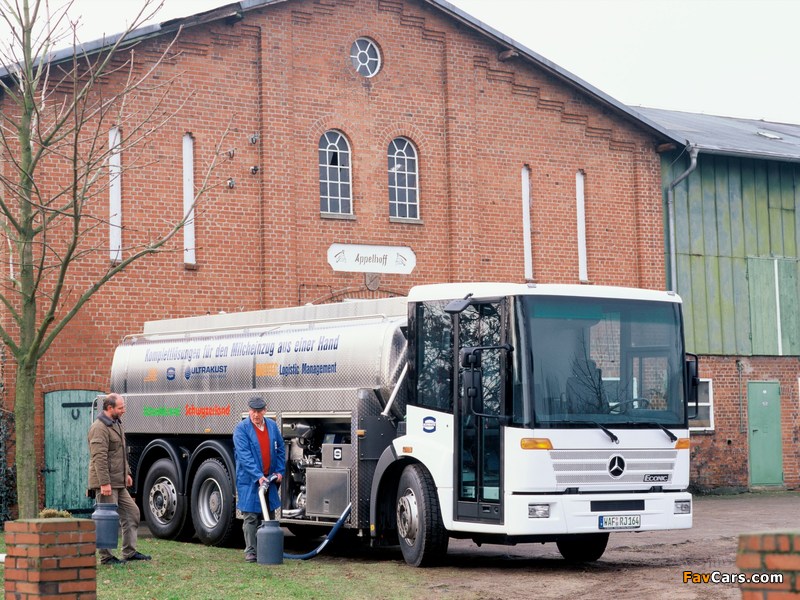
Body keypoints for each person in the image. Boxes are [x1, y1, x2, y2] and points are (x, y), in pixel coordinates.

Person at [87, 393, 151, 565]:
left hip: (119, 481)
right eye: (120, 407)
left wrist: (127, 473)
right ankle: (106, 557)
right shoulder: (99, 428)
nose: (124, 410)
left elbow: (120, 453)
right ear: (110, 408)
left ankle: (129, 552)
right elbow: (99, 457)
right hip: (106, 482)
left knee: (132, 512)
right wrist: (104, 483)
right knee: (106, 519)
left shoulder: (116, 424)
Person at [233, 396, 286, 563]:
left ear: (264, 411)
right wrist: (258, 476)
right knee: (250, 516)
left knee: (267, 514)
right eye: (252, 411)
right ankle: (251, 551)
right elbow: (244, 456)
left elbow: (280, 449)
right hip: (250, 480)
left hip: (269, 478)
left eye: (258, 411)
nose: (255, 415)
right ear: (249, 410)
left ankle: (266, 549)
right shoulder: (241, 429)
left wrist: (279, 472)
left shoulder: (271, 426)